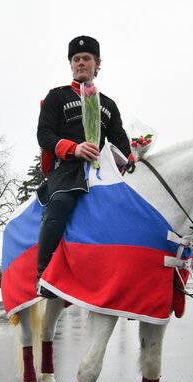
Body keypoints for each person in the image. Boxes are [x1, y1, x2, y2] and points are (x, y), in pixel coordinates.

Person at [35, 35, 135, 297]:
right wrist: (73, 148)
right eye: (76, 59)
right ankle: (44, 275)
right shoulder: (57, 97)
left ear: (97, 64)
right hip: (67, 169)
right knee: (61, 205)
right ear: (71, 65)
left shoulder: (109, 105)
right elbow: (43, 134)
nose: (81, 63)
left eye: (86, 59)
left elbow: (120, 140)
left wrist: (131, 158)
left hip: (101, 171)